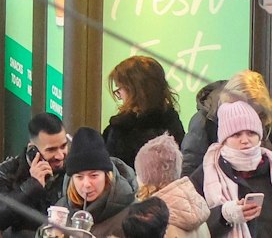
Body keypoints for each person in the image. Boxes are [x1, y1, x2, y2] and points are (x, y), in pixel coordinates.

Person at [0, 114, 74, 238]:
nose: (60, 156)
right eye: (51, 150)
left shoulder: (72, 170)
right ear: (33, 150)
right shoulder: (8, 171)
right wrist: (32, 186)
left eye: (63, 146)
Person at [202, 103, 272, 238]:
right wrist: (225, 215)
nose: (245, 140)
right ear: (224, 140)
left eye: (251, 133)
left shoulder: (268, 167)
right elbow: (195, 225)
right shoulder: (207, 172)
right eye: (236, 135)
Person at [111, 57, 190, 168]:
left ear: (135, 90)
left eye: (120, 89)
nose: (120, 96)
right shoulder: (172, 123)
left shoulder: (121, 129)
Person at [64, 126, 140, 229]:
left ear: (107, 175)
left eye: (94, 175)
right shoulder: (62, 211)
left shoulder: (133, 215)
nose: (86, 184)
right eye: (79, 177)